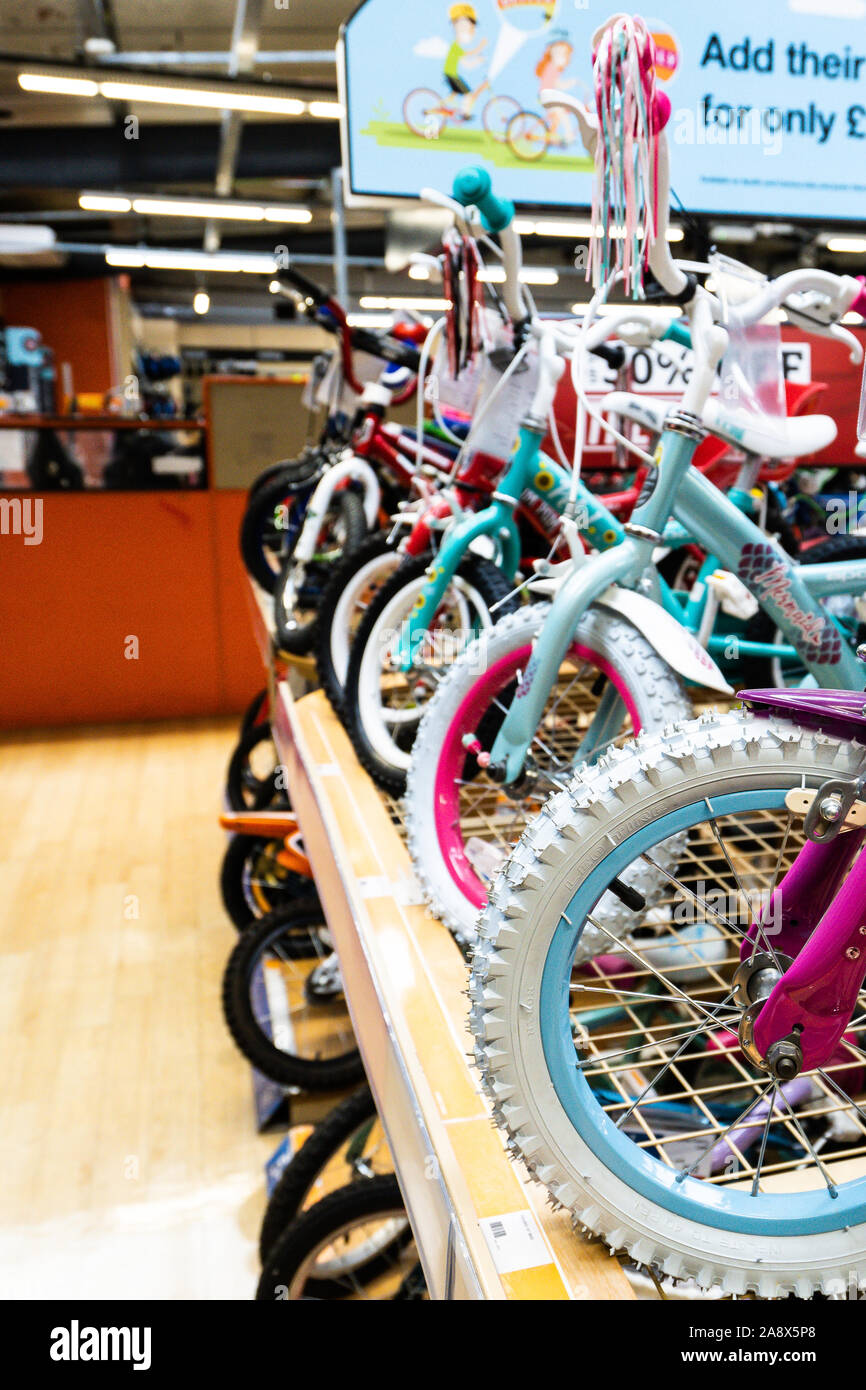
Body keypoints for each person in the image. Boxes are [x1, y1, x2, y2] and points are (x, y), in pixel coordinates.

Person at [443, 4, 488, 118]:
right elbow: (467, 56)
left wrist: (477, 60)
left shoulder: (457, 45)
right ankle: (464, 113)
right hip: (451, 75)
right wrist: (480, 48)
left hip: (452, 74)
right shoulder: (456, 46)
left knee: (455, 95)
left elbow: (466, 62)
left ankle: (454, 110)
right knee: (467, 94)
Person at [535, 31, 575, 146]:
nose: (562, 57)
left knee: (556, 118)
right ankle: (569, 137)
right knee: (562, 114)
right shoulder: (551, 68)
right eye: (559, 53)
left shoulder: (553, 67)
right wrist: (571, 83)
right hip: (547, 97)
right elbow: (558, 84)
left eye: (564, 54)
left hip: (549, 96)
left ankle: (551, 137)